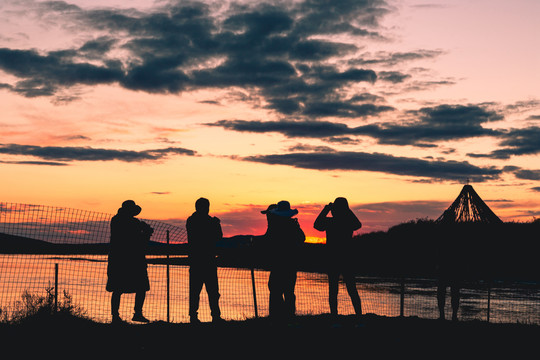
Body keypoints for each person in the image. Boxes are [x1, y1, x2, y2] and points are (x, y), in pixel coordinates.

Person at [106, 200, 154, 324]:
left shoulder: (116, 220)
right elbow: (139, 241)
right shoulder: (133, 222)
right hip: (133, 260)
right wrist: (147, 232)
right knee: (140, 287)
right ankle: (136, 313)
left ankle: (116, 316)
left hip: (118, 260)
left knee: (118, 289)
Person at [314, 197, 362, 317]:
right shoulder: (347, 223)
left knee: (334, 290)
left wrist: (326, 209)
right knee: (351, 289)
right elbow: (358, 224)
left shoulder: (330, 222)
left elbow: (317, 224)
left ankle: (335, 316)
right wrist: (348, 210)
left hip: (334, 259)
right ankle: (358, 315)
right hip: (346, 259)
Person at [264, 200, 305, 321]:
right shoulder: (293, 225)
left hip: (279, 263)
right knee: (288, 291)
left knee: (275, 289)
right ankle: (288, 315)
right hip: (291, 263)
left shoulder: (275, 226)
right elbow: (302, 238)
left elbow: (268, 241)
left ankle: (277, 315)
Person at [186, 197, 223, 323]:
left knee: (195, 291)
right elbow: (218, 237)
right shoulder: (209, 221)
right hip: (207, 260)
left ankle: (194, 316)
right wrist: (216, 224)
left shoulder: (191, 220)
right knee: (212, 291)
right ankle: (215, 316)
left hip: (196, 260)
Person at [436, 211, 463, 321]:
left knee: (442, 292)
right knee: (454, 292)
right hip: (453, 266)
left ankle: (443, 316)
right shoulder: (456, 230)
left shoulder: (442, 230)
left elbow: (438, 248)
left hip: (445, 266)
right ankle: (453, 316)